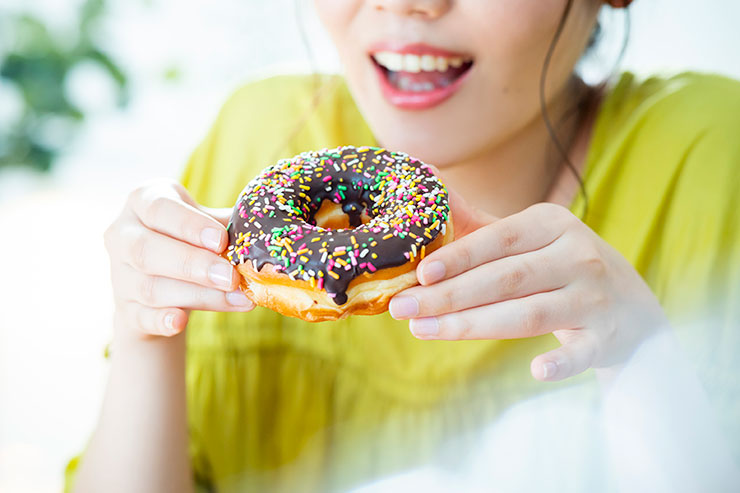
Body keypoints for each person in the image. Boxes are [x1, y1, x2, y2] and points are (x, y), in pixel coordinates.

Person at [66, 0, 740, 491]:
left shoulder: (714, 159)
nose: (406, 3)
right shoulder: (256, 136)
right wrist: (145, 330)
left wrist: (645, 360)